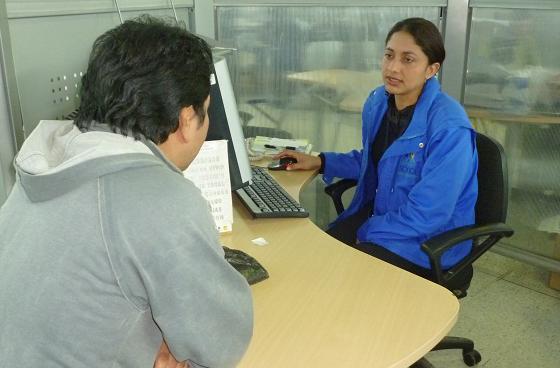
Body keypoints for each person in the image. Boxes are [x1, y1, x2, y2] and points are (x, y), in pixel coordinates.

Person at [0, 16, 253, 368]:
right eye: (206, 112)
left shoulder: (45, 166)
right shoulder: (160, 198)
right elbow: (221, 343)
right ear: (185, 120)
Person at [276, 18, 478, 288]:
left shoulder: (449, 127)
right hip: (381, 217)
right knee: (312, 262)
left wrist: (368, 231)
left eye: (408, 59)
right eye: (389, 55)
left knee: (337, 281)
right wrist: (322, 161)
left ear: (432, 69)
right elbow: (376, 161)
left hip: (427, 242)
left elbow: (429, 214)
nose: (393, 68)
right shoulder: (379, 103)